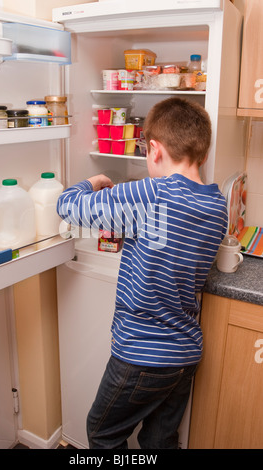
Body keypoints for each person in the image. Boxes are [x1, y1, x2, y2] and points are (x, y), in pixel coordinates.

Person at [57, 97, 228, 449]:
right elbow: (169, 240)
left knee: (102, 433)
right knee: (160, 439)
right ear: (204, 153)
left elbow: (68, 207)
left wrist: (91, 182)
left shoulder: (151, 195)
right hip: (185, 352)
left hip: (142, 353)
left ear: (153, 149)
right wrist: (136, 230)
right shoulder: (216, 204)